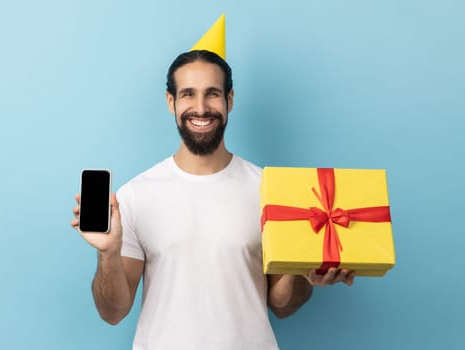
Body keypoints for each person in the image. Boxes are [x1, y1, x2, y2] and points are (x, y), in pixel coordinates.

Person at [71, 50, 355, 349]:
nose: (201, 107)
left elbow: (282, 306)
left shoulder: (270, 191)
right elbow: (113, 312)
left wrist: (305, 273)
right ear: (172, 102)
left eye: (213, 94)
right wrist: (108, 252)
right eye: (188, 94)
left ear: (230, 99)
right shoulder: (135, 195)